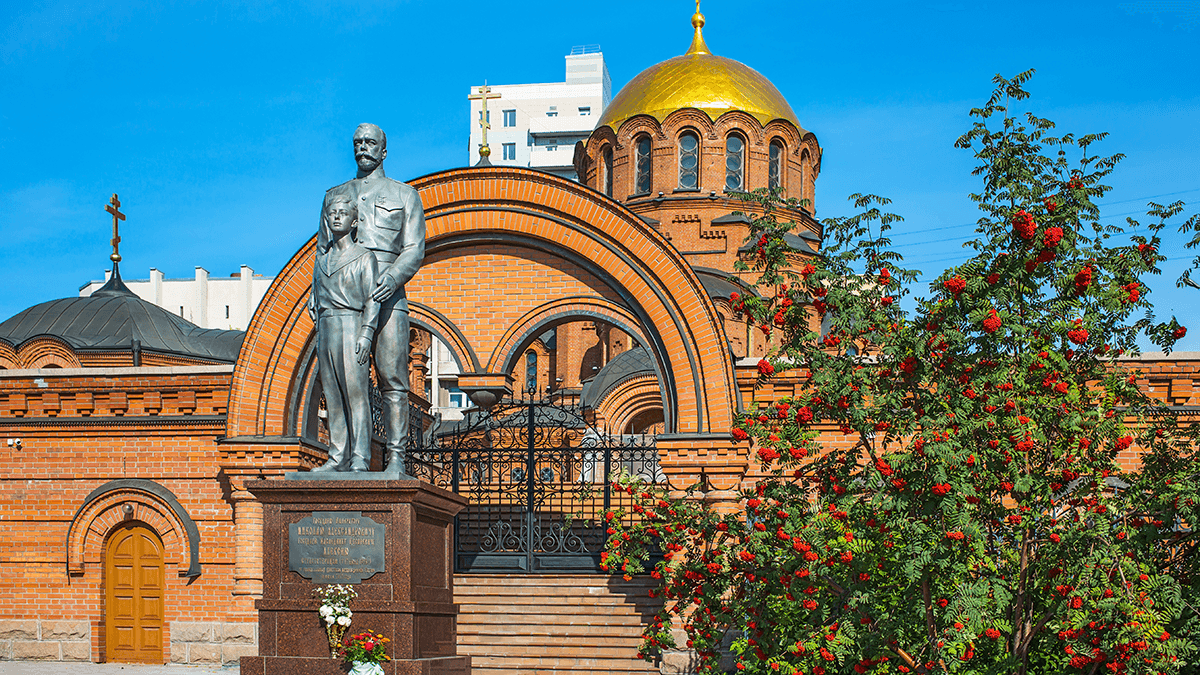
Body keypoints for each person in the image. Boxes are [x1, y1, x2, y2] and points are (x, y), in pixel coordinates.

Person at [319, 123, 425, 476]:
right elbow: (322, 249)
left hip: (388, 295)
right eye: (358, 142)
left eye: (371, 143)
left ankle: (395, 457)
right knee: (341, 377)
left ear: (384, 151)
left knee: (392, 376)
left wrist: (392, 278)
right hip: (345, 295)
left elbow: (414, 249)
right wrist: (315, 292)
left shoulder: (404, 195)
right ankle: (342, 456)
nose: (363, 148)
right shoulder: (336, 194)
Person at [309, 196, 380, 472]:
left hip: (352, 324)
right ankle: (337, 457)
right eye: (332, 213)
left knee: (355, 394)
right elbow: (315, 301)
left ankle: (360, 457)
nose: (336, 217)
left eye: (343, 213)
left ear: (354, 221)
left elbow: (372, 298)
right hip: (326, 328)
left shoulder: (364, 257)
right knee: (333, 394)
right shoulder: (321, 261)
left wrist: (366, 332)